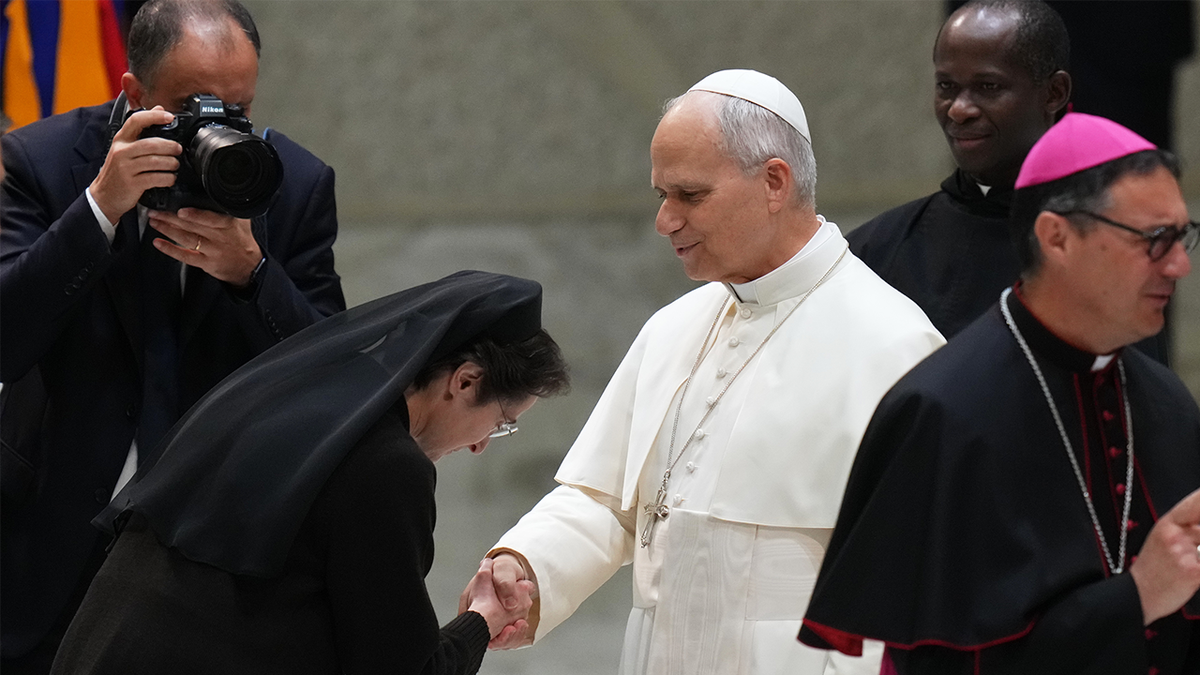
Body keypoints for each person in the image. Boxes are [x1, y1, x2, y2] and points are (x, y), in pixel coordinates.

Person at [464, 69, 945, 674]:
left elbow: (916, 570)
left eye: (690, 195)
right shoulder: (674, 327)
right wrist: (526, 566)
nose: (665, 221)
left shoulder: (891, 342)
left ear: (774, 182)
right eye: (661, 195)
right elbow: (608, 500)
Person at [0, 1, 344, 671]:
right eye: (192, 108)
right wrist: (98, 210)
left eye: (236, 109)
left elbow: (332, 381)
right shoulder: (43, 160)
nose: (216, 131)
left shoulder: (291, 186)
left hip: (209, 565)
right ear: (134, 92)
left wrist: (253, 275)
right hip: (48, 547)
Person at [799, 113, 1200, 673]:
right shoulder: (942, 412)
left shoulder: (1168, 404)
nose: (1180, 265)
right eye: (1155, 240)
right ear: (1057, 238)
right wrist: (1136, 597)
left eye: (1182, 236)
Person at [49, 270, 569, 675]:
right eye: (501, 422)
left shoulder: (287, 395)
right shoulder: (387, 465)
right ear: (466, 381)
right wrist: (482, 620)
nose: (481, 445)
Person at [848, 0, 1070, 342]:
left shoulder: (1108, 241)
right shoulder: (875, 250)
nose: (959, 110)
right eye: (946, 87)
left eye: (988, 87)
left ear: (1054, 93)